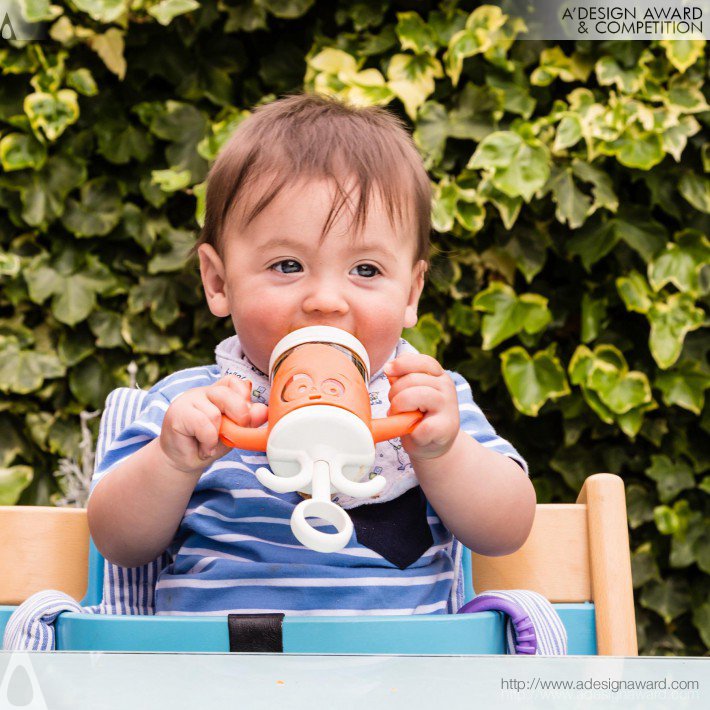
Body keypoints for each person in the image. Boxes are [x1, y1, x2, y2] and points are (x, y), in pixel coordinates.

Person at [87, 93, 536, 617]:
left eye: (365, 270)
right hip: (220, 673)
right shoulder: (193, 406)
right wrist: (170, 462)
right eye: (286, 265)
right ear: (218, 282)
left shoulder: (424, 401)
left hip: (401, 674)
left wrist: (444, 453)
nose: (326, 300)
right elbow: (118, 545)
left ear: (411, 293)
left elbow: (507, 531)